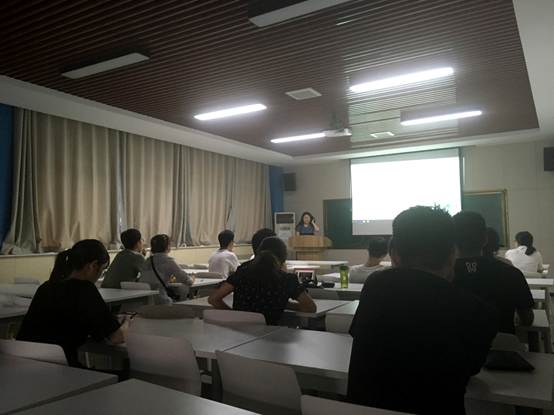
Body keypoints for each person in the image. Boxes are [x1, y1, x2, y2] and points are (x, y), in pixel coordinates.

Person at [348, 206, 497, 415]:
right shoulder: (478, 311)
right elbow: (471, 369)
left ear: (394, 255)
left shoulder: (375, 286)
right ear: (453, 254)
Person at [17, 239, 126, 366]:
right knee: (124, 372)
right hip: (61, 370)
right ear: (93, 265)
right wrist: (127, 323)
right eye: (103, 269)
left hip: (26, 364)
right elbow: (117, 337)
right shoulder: (85, 290)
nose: (100, 275)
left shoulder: (46, 287)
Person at [452, 212, 534, 334]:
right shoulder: (511, 273)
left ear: (451, 240)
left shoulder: (442, 277)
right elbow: (527, 319)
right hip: (502, 344)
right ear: (485, 239)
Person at [208, 236, 316, 325]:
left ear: (258, 253)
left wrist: (234, 316)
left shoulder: (242, 273)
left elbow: (213, 299)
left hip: (240, 335)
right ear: (283, 258)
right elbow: (310, 308)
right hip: (271, 337)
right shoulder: (287, 280)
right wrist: (288, 305)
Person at [140, 234, 194, 304]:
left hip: (144, 302)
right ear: (167, 246)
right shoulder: (168, 261)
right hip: (162, 301)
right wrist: (192, 278)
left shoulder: (147, 261)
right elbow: (186, 280)